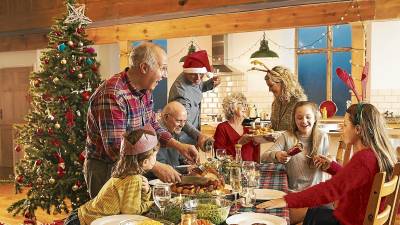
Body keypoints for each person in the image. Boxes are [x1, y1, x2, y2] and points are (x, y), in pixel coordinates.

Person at [84, 42, 198, 198]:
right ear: (144, 68)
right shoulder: (112, 94)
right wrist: (155, 166)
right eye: (162, 68)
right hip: (107, 169)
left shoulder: (145, 90)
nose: (165, 74)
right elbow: (116, 149)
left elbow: (152, 126)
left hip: (133, 167)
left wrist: (178, 146)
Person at [257, 103, 398, 225]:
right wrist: (332, 167)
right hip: (352, 217)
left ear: (358, 129)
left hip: (346, 221)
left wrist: (286, 200)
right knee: (302, 211)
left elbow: (330, 189)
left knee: (277, 215)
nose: (342, 129)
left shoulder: (364, 159)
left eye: (345, 125)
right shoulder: (375, 154)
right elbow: (352, 179)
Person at [65, 126, 158, 225]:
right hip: (84, 222)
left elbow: (133, 206)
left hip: (81, 216)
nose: (156, 159)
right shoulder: (133, 179)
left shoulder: (126, 173)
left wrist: (146, 191)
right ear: (145, 162)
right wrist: (152, 204)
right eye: (155, 155)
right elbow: (131, 214)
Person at [261, 101, 330, 224]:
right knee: (266, 211)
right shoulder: (287, 137)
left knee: (273, 218)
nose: (304, 121)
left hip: (315, 196)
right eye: (299, 117)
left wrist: (327, 162)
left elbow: (328, 168)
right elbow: (264, 156)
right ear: (294, 119)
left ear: (315, 118)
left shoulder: (322, 137)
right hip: (294, 193)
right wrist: (277, 155)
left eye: (308, 117)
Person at [168, 50, 221, 145]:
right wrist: (199, 136)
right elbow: (182, 122)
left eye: (201, 74)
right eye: (194, 74)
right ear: (186, 72)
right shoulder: (181, 91)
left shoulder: (193, 77)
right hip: (182, 140)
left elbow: (198, 87)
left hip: (192, 138)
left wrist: (211, 83)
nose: (198, 78)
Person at [152, 101, 210, 175]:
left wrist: (186, 162)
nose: (182, 125)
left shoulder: (174, 131)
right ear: (166, 117)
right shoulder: (155, 134)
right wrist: (185, 169)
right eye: (179, 121)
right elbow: (163, 168)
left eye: (184, 121)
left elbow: (177, 160)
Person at [214, 92, 260, 162]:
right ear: (232, 107)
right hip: (231, 170)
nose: (245, 107)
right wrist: (239, 143)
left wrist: (257, 143)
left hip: (248, 169)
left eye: (246, 104)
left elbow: (254, 156)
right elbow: (219, 156)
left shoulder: (248, 129)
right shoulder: (222, 128)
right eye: (241, 104)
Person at [265, 66, 307, 131]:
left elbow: (304, 131)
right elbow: (274, 127)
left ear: (284, 83)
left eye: (271, 85)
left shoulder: (299, 102)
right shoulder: (275, 103)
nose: (270, 90)